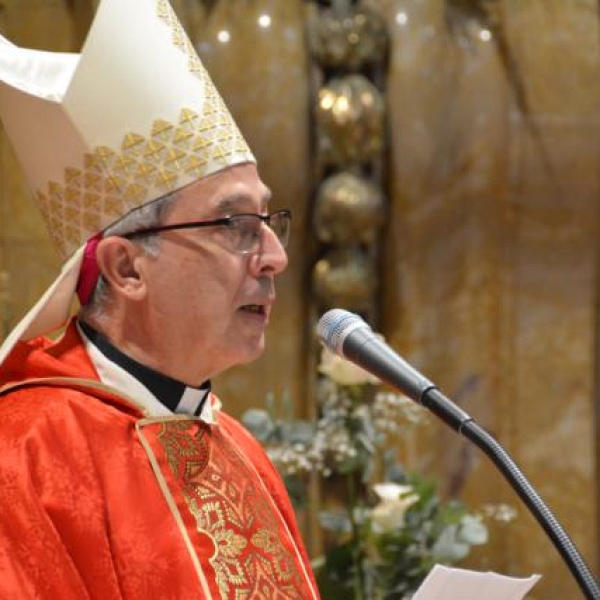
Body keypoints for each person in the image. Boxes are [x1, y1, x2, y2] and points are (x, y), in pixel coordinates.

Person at [0, 0, 320, 598]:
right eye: (234, 224)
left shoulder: (240, 450)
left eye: (269, 219)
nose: (274, 255)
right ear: (126, 268)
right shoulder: (22, 456)